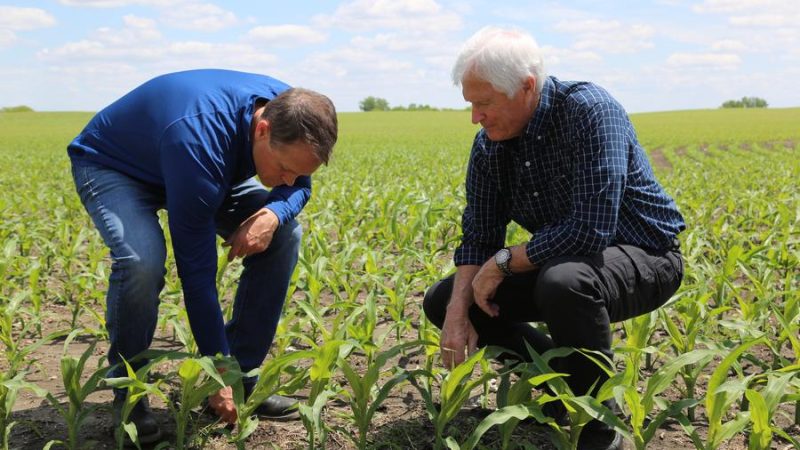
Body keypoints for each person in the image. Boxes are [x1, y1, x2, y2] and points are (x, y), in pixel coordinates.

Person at [422, 27, 685, 450]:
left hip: (648, 255)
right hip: (567, 259)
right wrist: (457, 312)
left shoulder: (589, 111)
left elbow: (590, 228)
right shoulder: (490, 146)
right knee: (446, 298)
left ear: (526, 86)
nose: (476, 116)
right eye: (471, 104)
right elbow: (479, 235)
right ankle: (561, 386)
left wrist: (502, 262)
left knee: (563, 282)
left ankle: (602, 428)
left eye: (484, 103)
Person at [68, 69, 337, 443]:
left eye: (299, 171)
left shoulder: (291, 112)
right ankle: (130, 395)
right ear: (261, 131)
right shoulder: (199, 143)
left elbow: (300, 184)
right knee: (141, 262)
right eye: (284, 169)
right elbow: (197, 278)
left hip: (201, 167)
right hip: (116, 166)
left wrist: (274, 213)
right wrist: (216, 373)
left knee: (285, 232)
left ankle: (241, 379)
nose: (290, 179)